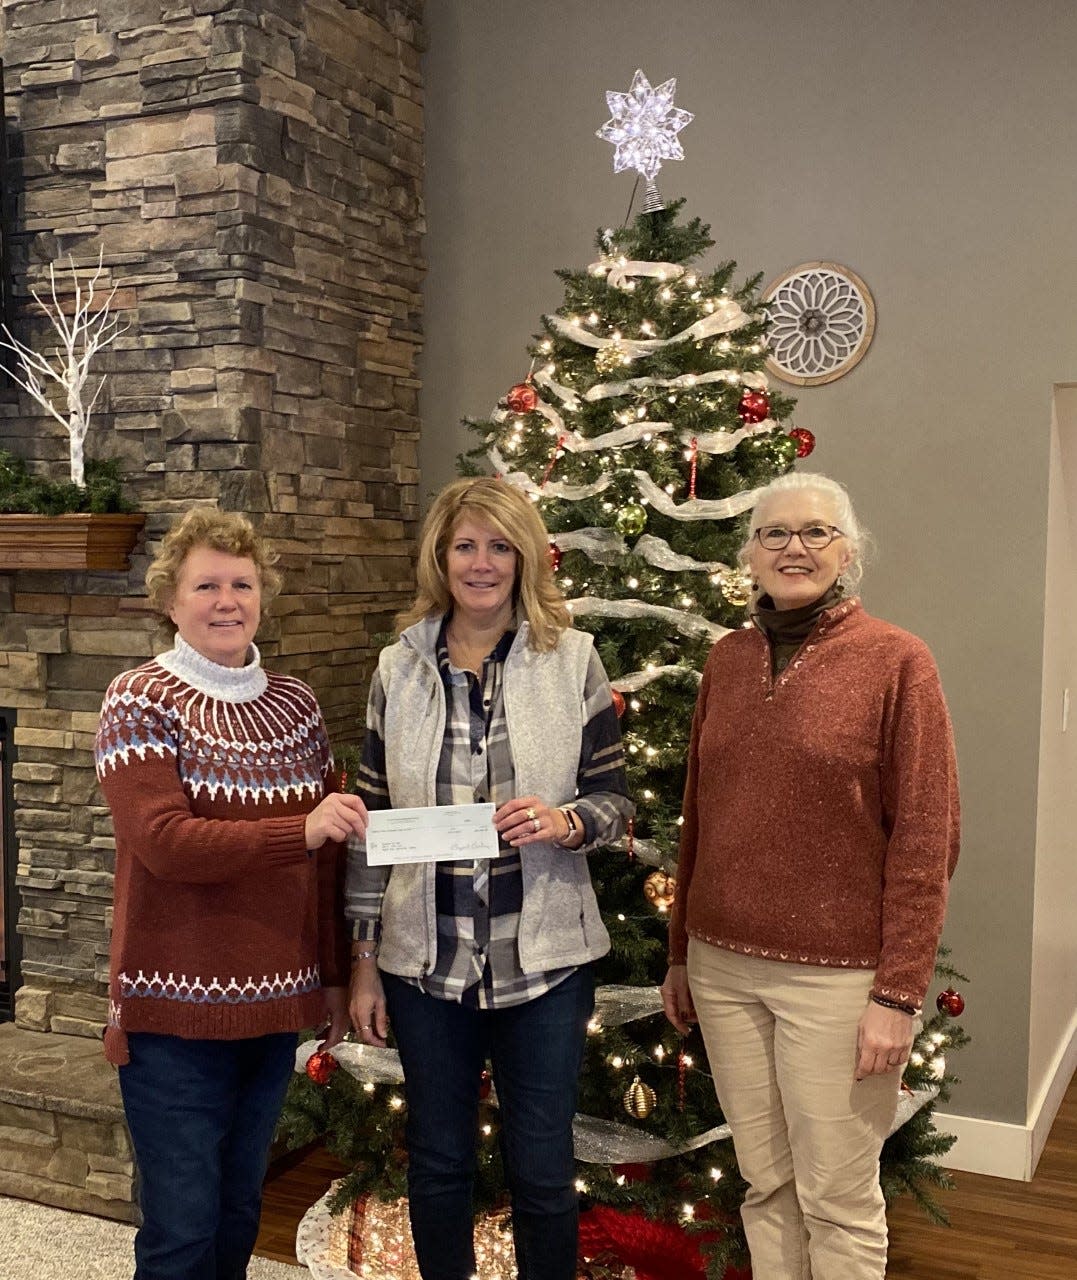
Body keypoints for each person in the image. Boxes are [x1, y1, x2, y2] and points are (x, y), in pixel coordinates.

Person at [661, 471, 960, 1280]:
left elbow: (926, 838)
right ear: (749, 554)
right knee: (765, 1183)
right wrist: (679, 954)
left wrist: (897, 993)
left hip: (835, 981)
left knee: (836, 1195)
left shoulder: (897, 661)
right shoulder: (726, 660)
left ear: (847, 551)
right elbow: (702, 812)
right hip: (722, 969)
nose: (794, 547)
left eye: (814, 532)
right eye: (774, 533)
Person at [346, 476, 634, 1280]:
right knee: (437, 1163)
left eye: (499, 546)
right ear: (441, 557)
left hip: (541, 964)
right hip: (423, 963)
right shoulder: (396, 669)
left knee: (541, 1172)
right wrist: (363, 960)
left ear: (524, 557)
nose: (481, 563)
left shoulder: (570, 658)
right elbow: (370, 826)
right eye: (464, 545)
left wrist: (566, 822)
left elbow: (614, 802)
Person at [94, 508, 368, 1280]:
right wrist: (299, 830)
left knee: (237, 1216)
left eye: (241, 583)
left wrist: (335, 978)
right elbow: (166, 843)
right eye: (206, 584)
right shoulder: (138, 699)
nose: (227, 600)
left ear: (262, 596)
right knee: (181, 1230)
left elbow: (325, 869)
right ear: (171, 601)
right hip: (172, 1016)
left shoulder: (295, 706)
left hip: (275, 1007)